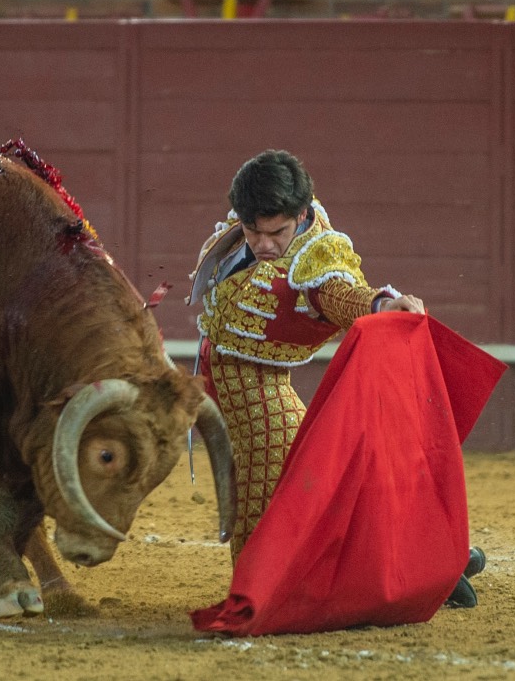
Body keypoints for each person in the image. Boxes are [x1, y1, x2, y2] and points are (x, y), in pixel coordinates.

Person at [187, 149, 481, 607]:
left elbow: (342, 294)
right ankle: (442, 559)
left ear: (300, 215)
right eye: (253, 231)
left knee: (280, 509)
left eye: (276, 232)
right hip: (221, 392)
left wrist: (382, 304)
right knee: (334, 484)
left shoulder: (317, 256)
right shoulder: (253, 216)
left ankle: (418, 570)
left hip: (262, 396)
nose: (263, 244)